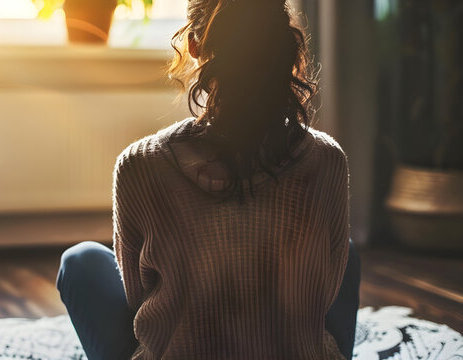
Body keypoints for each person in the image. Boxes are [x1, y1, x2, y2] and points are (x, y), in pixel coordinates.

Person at [57, 0, 361, 358]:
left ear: (194, 46)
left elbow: (138, 300)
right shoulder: (326, 160)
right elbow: (323, 294)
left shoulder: (138, 164)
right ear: (282, 44)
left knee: (80, 261)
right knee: (347, 253)